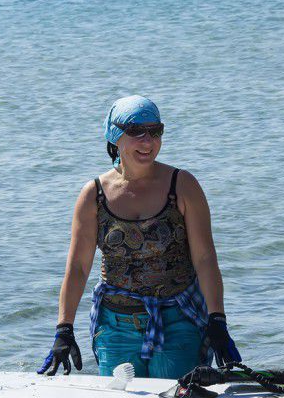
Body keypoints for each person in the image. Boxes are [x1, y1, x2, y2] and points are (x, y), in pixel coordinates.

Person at [38, 95, 240, 379]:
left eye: (155, 131)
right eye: (136, 131)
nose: (148, 141)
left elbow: (205, 258)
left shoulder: (183, 185)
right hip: (115, 328)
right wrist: (64, 329)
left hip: (178, 321)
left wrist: (217, 320)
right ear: (114, 135)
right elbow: (79, 267)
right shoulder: (93, 195)